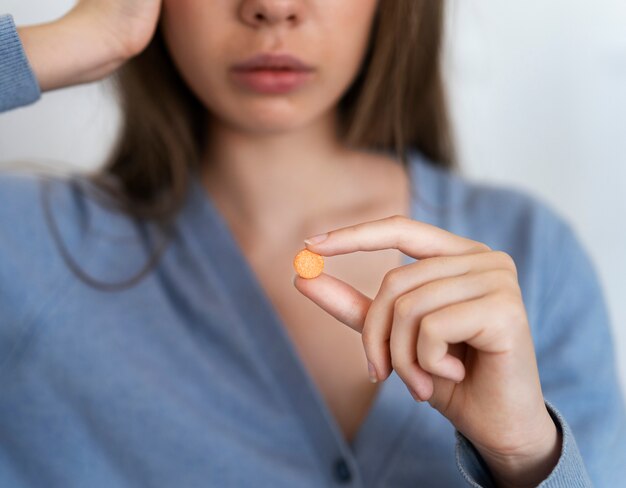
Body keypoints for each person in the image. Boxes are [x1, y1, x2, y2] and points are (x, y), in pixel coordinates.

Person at [0, 1, 625, 486]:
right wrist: (63, 44)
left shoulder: (532, 256)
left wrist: (526, 456)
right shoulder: (25, 247)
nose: (273, 7)